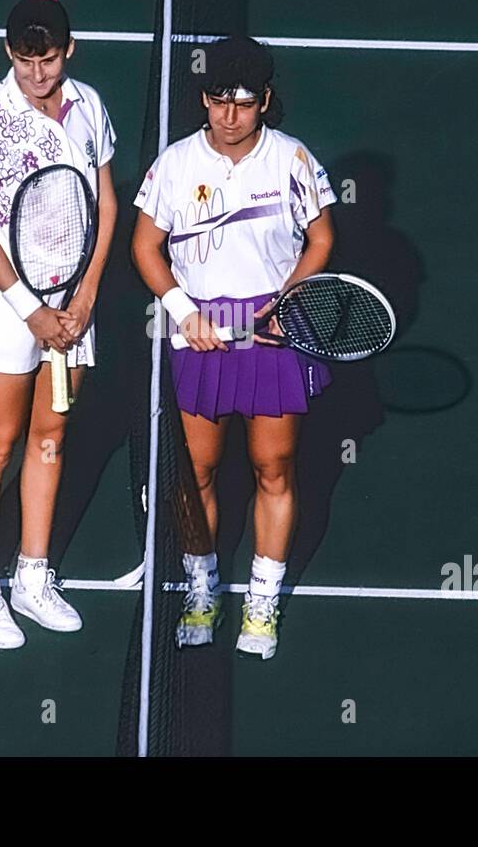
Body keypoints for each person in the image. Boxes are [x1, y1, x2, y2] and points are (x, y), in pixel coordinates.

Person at [130, 36, 336, 660]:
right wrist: (181, 310)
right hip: (200, 331)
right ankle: (203, 587)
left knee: (273, 470)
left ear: (265, 102)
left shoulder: (293, 161)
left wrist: (288, 301)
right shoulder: (174, 164)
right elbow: (145, 246)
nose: (228, 116)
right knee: (194, 475)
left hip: (273, 333)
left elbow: (321, 239)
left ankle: (263, 599)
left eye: (243, 104)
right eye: (218, 101)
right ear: (204, 99)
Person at [0, 0, 117, 650]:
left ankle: (32, 578)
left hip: (73, 302)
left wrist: (85, 298)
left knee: (50, 440)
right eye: (23, 60)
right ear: (8, 52)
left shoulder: (90, 106)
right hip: (3, 305)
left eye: (48, 60)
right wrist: (31, 311)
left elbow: (104, 205)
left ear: (68, 50)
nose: (37, 74)